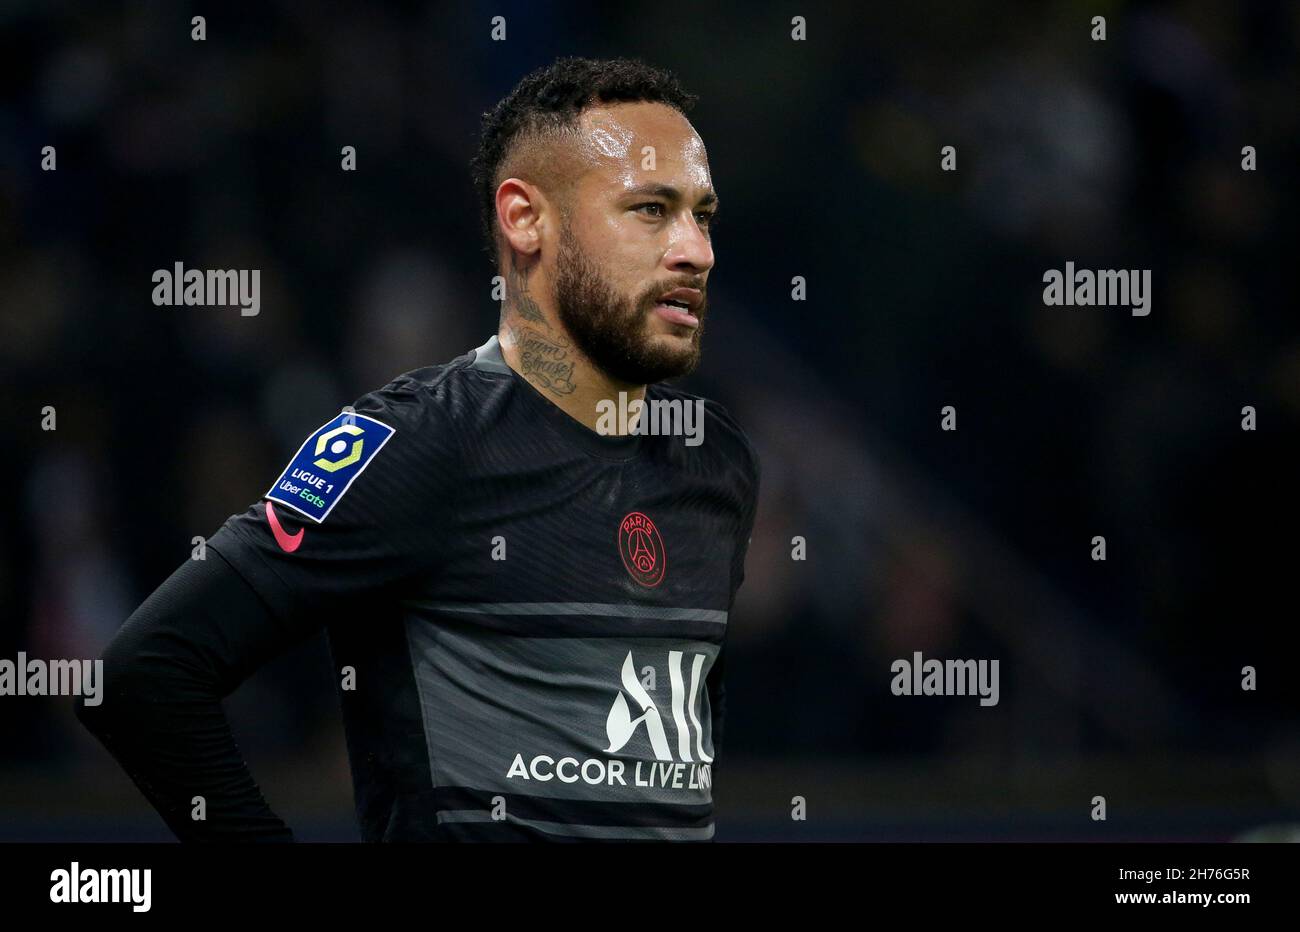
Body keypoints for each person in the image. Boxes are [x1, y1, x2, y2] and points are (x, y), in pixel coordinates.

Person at [76, 56, 759, 842]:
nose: (695, 251)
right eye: (650, 210)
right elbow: (145, 676)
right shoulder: (413, 442)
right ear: (525, 219)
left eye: (702, 215)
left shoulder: (717, 462)